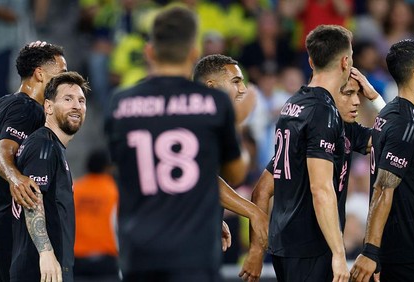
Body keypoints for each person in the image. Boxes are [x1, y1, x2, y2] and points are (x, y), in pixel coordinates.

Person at [105, 6, 246, 281]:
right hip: (194, 253)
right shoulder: (214, 104)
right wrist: (237, 121)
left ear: (149, 52)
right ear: (194, 53)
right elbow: (235, 174)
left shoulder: (120, 104)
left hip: (139, 252)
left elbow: (124, 169)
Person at [239, 68, 385, 282]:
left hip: (310, 250)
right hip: (304, 251)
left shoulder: (344, 128)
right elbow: (263, 191)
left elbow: (396, 138)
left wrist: (375, 98)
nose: (356, 101)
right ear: (328, 93)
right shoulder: (313, 129)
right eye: (347, 93)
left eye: (358, 94)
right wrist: (255, 251)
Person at [236, 24, 355, 282]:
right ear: (346, 62)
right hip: (311, 248)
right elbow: (321, 189)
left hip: (285, 246)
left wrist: (258, 248)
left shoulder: (293, 105)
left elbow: (263, 188)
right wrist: (338, 252)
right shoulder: (323, 112)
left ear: (311, 61)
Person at [349, 39, 414, 282]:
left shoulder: (391, 115)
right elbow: (384, 187)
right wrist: (370, 251)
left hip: (408, 251)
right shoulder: (408, 125)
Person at [0, 42, 66, 282]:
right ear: (40, 73)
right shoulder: (29, 109)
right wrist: (18, 178)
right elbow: (1, 153)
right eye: (60, 72)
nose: (64, 79)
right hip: (14, 230)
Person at [10, 71, 88, 282]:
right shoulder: (43, 145)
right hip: (40, 270)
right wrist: (45, 253)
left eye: (81, 100)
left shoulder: (52, 146)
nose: (77, 106)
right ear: (49, 107)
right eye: (68, 99)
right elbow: (32, 199)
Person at [193, 54, 269, 252]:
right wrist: (254, 212)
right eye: (236, 81)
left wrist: (214, 216)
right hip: (180, 243)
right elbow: (207, 181)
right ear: (211, 86)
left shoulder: (198, 119)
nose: (243, 89)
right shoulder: (200, 123)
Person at [73, 148, 119, 281]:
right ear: (108, 168)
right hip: (106, 260)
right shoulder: (115, 191)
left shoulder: (75, 189)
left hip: (77, 259)